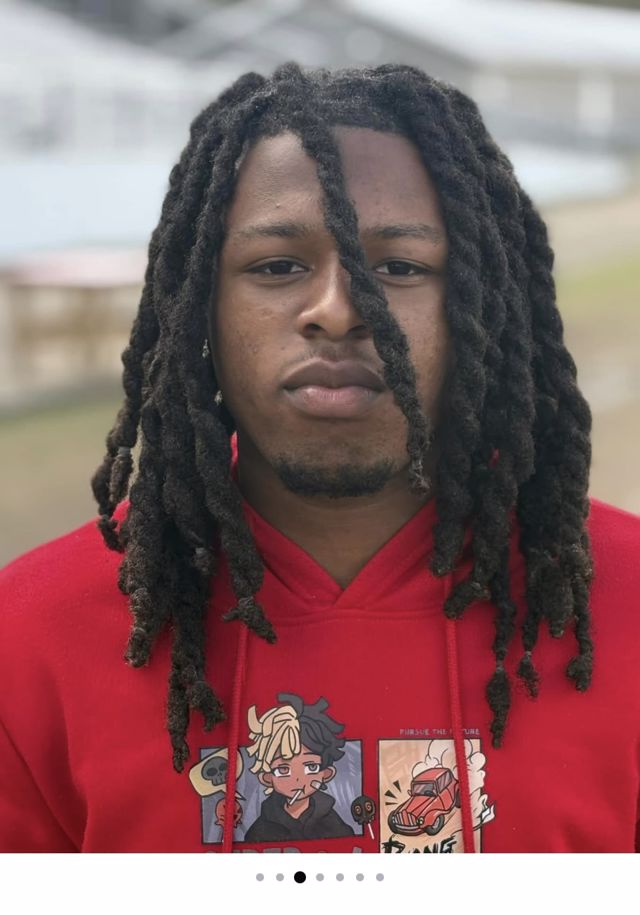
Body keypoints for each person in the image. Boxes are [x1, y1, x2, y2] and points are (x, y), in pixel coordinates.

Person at [0, 62, 638, 854]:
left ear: (482, 306)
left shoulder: (627, 604)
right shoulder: (27, 639)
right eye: (278, 266)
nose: (337, 311)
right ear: (199, 304)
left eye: (400, 267)